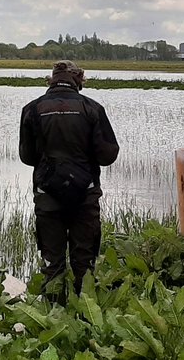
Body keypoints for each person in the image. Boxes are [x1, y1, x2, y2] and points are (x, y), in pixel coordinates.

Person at [19, 60, 120, 294]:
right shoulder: (92, 108)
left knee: (52, 264)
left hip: (47, 194)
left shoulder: (32, 109)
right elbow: (108, 155)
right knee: (84, 263)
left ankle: (52, 315)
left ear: (51, 80)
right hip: (85, 193)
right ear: (78, 80)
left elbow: (27, 156)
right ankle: (84, 317)